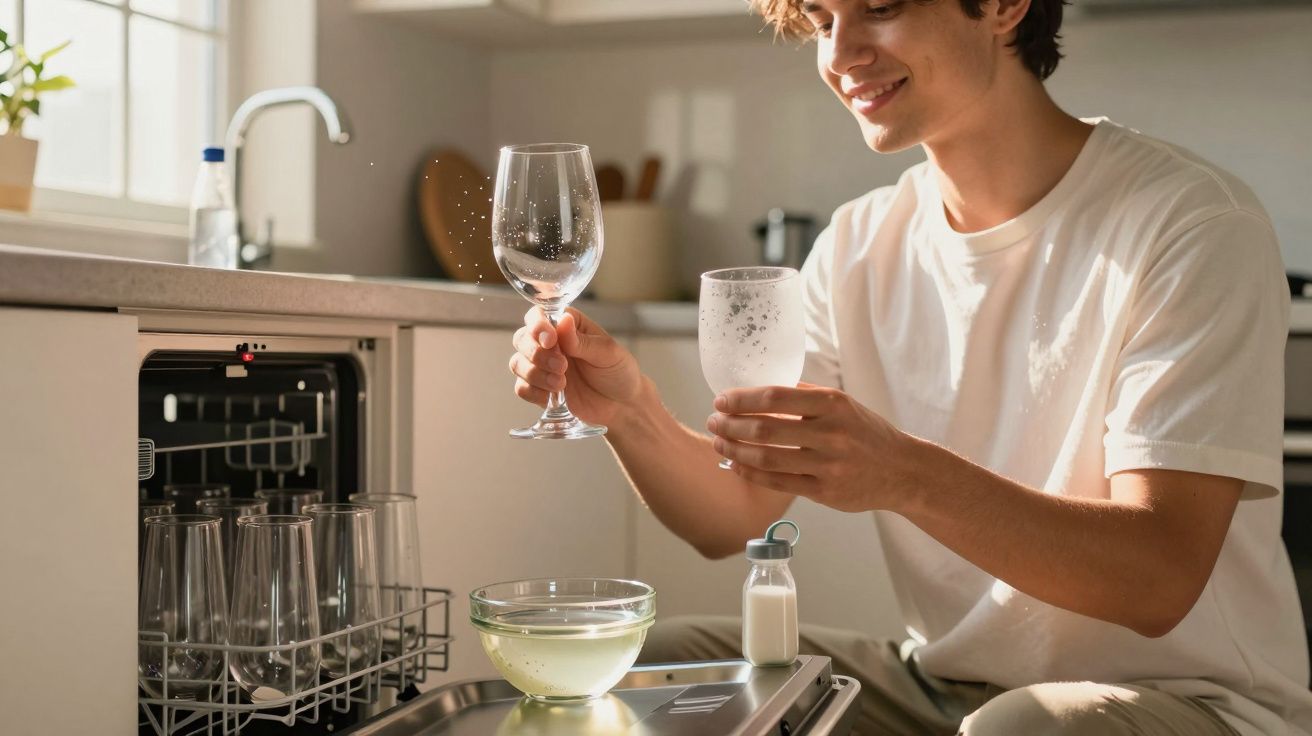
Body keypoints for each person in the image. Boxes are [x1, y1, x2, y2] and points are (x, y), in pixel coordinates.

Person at [507, 0, 1311, 733]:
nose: (842, 52)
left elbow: (1157, 578)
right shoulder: (858, 244)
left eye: (880, 8)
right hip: (943, 688)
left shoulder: (1191, 223)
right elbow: (733, 516)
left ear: (1003, 7)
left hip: (1188, 703)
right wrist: (628, 411)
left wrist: (904, 475)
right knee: (650, 664)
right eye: (823, 20)